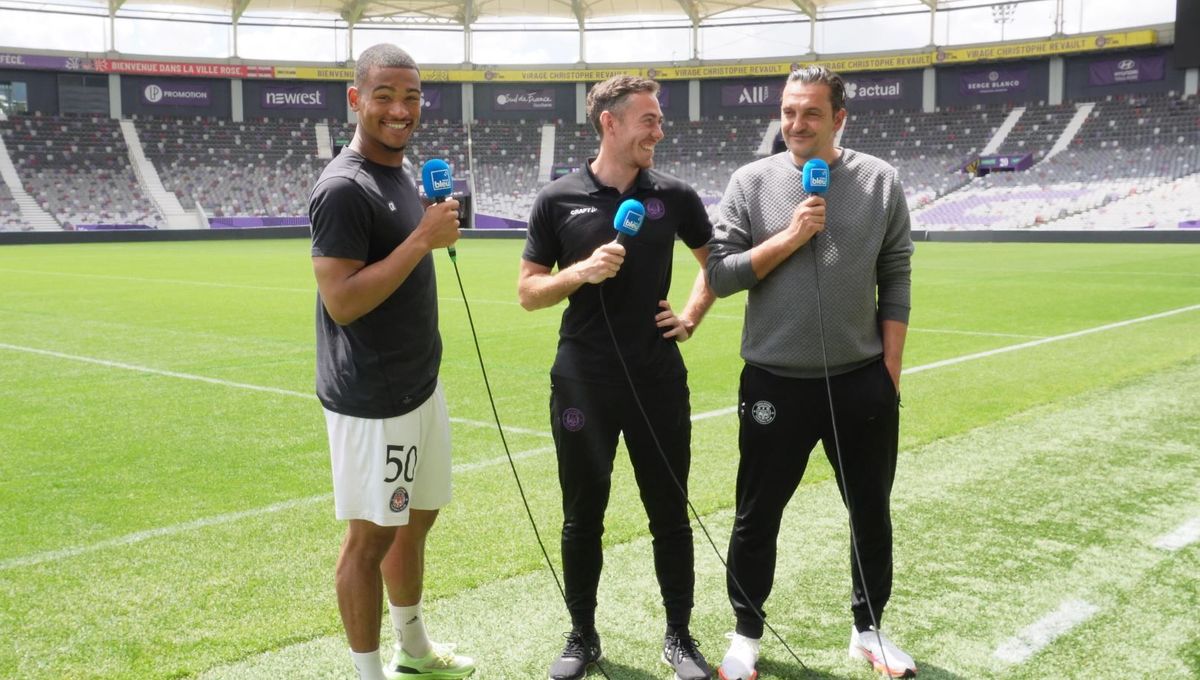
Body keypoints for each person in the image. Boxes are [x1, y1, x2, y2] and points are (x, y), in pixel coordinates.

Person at [706, 66, 917, 679]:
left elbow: (896, 274)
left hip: (861, 379)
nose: (795, 124)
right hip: (774, 380)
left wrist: (890, 370)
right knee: (757, 514)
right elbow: (720, 275)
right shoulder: (751, 181)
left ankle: (869, 629)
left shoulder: (880, 181)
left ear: (839, 118)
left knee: (871, 510)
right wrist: (791, 237)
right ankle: (745, 633)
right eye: (788, 112)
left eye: (811, 114)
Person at [518, 75, 717, 680]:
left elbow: (716, 264)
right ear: (610, 122)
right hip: (583, 380)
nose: (659, 130)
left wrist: (689, 316)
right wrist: (580, 272)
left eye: (659, 120)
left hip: (657, 378)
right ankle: (582, 636)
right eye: (649, 120)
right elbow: (528, 293)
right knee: (583, 514)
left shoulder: (675, 196)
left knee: (670, 511)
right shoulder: (558, 198)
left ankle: (680, 637)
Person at [308, 43, 475, 680]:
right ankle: (367, 672)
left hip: (418, 386)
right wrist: (422, 240)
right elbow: (343, 301)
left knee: (416, 518)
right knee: (370, 536)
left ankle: (412, 646)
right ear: (356, 99)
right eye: (384, 95)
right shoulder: (344, 187)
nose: (400, 109)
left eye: (410, 96)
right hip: (373, 400)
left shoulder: (401, 173)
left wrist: (424, 232)